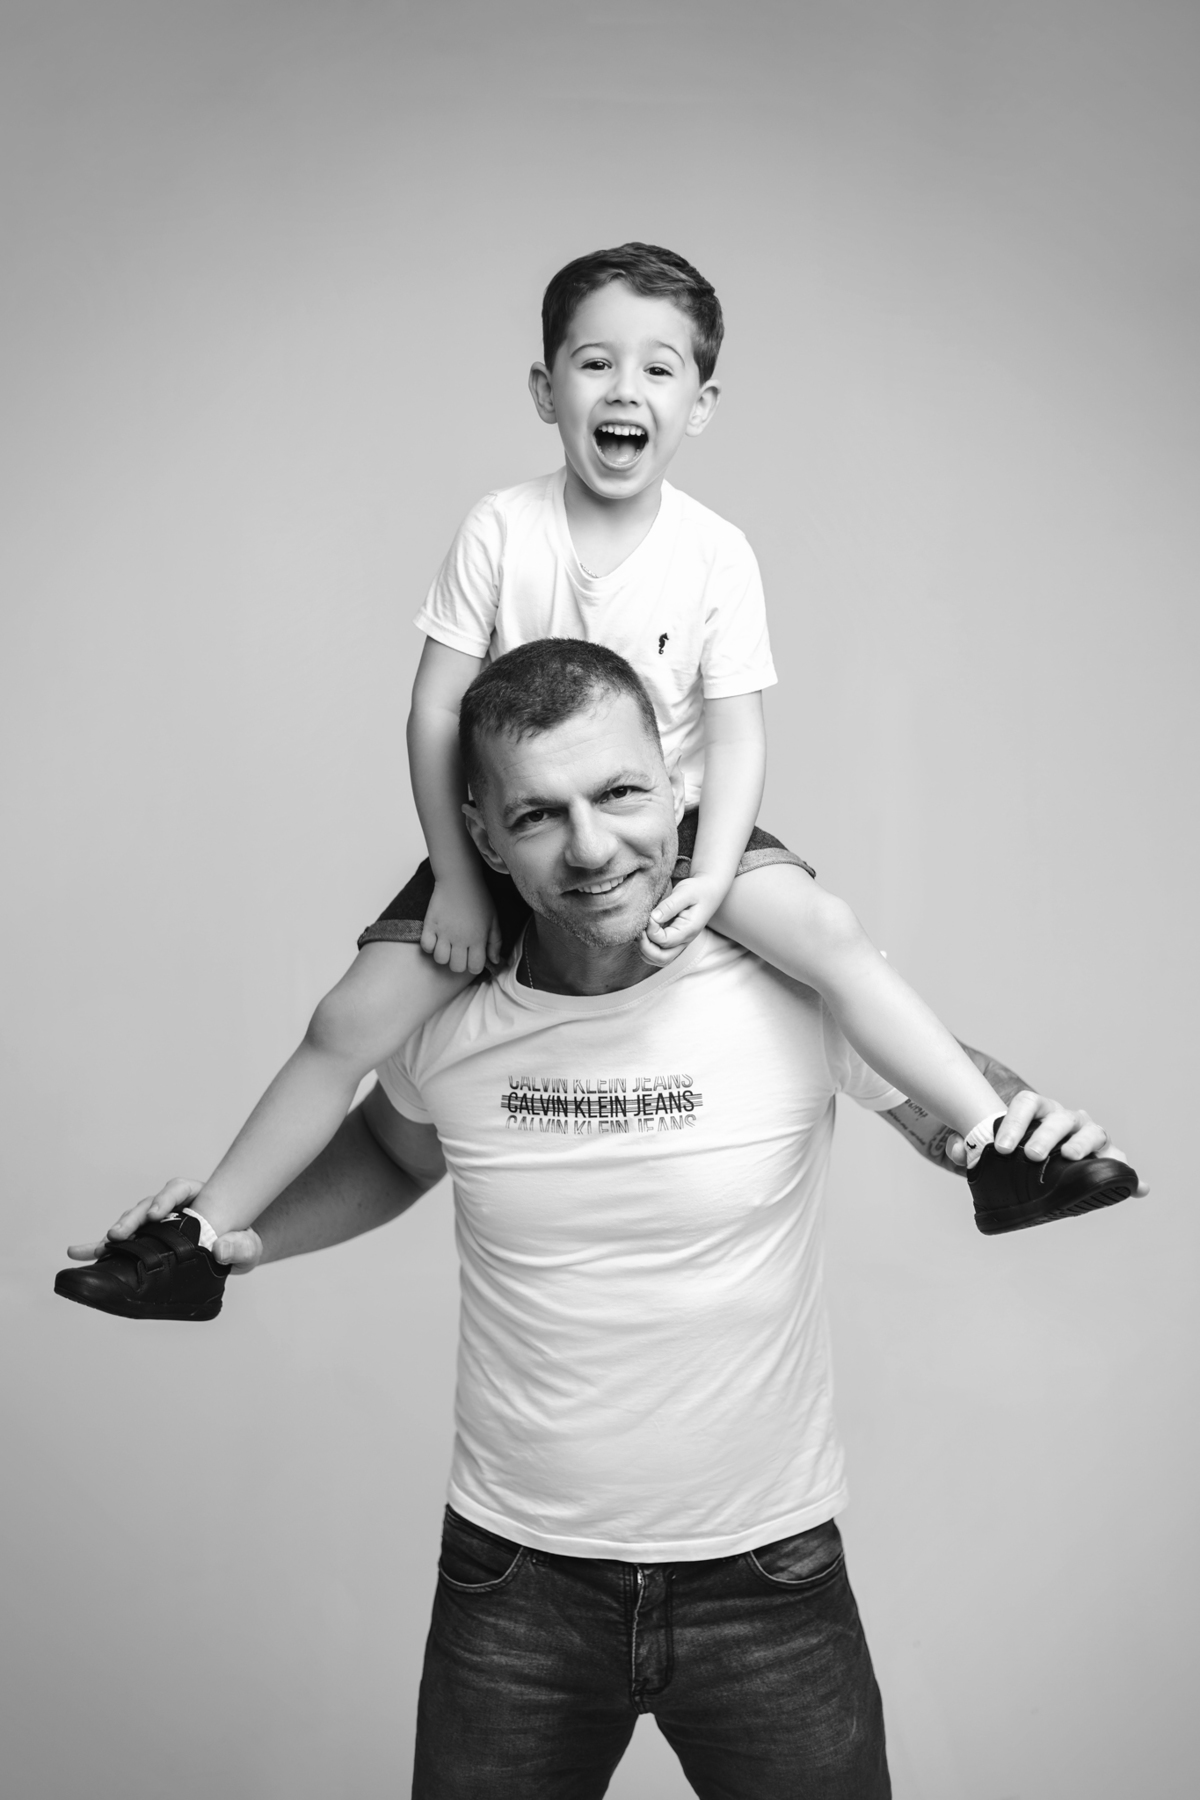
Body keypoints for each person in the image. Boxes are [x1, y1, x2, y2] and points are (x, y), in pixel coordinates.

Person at [59, 644, 1140, 1796]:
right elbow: (389, 1150)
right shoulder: (445, 1013)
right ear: (483, 839)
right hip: (513, 1588)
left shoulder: (796, 990)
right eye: (539, 815)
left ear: (680, 789)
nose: (589, 848)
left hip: (768, 1582)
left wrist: (1031, 1129)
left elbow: (959, 1112)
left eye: (620, 793)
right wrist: (232, 1237)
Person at [54, 245, 1112, 1312]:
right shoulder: (500, 528)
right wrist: (458, 879)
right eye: (596, 363)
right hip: (507, 839)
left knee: (829, 936)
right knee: (346, 1021)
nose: (624, 390)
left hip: (680, 829)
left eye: (659, 369)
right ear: (544, 388)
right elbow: (433, 713)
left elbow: (739, 737)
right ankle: (198, 1243)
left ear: (701, 404)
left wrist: (713, 872)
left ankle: (999, 1148)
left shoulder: (715, 552)